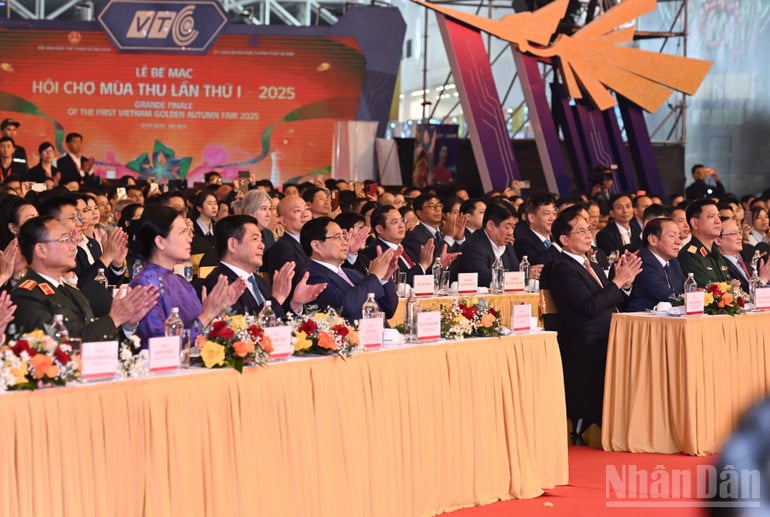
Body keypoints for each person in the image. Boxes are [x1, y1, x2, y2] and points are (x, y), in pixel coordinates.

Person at [549, 210, 641, 443]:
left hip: (609, 330)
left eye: (589, 229)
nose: (588, 234)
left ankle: (639, 420)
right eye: (581, 231)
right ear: (564, 239)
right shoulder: (562, 268)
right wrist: (617, 282)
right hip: (585, 338)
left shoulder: (593, 264)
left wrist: (625, 285)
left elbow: (610, 299)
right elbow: (589, 307)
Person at [12, 216, 157, 340]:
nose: (73, 246)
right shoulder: (26, 295)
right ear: (41, 250)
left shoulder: (72, 291)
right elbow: (56, 347)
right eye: (64, 239)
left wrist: (127, 324)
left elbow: (92, 335)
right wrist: (114, 319)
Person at [130, 205, 246, 346]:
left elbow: (200, 330)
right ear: (160, 241)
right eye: (182, 232)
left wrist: (219, 310)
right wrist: (207, 315)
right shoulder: (145, 284)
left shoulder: (180, 281)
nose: (189, 238)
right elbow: (161, 345)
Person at [204, 215, 325, 316]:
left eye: (261, 240)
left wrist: (295, 304)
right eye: (255, 239)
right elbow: (241, 330)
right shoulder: (218, 283)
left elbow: (277, 325)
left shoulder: (258, 281)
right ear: (233, 245)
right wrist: (277, 298)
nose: (262, 245)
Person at [301, 217, 398, 323]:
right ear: (316, 245)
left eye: (344, 237)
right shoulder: (311, 276)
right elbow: (344, 306)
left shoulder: (354, 274)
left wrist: (384, 279)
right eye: (337, 237)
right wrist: (375, 276)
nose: (344, 242)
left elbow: (389, 310)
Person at [624, 218, 685, 312]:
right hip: (643, 320)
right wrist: (693, 301)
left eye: (679, 236)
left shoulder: (673, 262)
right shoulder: (642, 261)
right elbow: (666, 295)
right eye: (672, 236)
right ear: (653, 240)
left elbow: (685, 289)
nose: (678, 242)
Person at [365, 204, 433, 285]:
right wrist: (423, 265)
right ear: (380, 229)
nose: (401, 225)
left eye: (402, 220)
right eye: (395, 222)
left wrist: (439, 265)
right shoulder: (376, 251)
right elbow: (398, 283)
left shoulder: (407, 247)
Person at [456, 201, 520, 288]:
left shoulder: (507, 247)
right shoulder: (473, 246)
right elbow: (484, 280)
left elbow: (516, 273)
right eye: (507, 227)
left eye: (513, 227)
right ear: (490, 225)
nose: (511, 232)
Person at [678, 199, 730, 286]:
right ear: (694, 223)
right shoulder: (689, 255)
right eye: (711, 216)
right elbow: (704, 292)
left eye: (718, 217)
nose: (718, 221)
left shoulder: (716, 252)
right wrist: (730, 287)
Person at [716, 217, 770, 293]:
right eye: (734, 233)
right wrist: (761, 281)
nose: (740, 237)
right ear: (718, 240)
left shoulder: (744, 264)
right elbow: (741, 296)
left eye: (739, 232)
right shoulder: (719, 266)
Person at [264, 194, 311, 279]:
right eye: (297, 211)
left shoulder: (313, 241)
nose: (305, 214)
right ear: (283, 221)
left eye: (307, 209)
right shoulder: (280, 249)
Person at [513, 192, 560, 267]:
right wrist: (557, 245)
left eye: (554, 214)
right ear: (532, 218)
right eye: (547, 214)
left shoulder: (554, 239)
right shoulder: (523, 242)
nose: (552, 218)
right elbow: (539, 265)